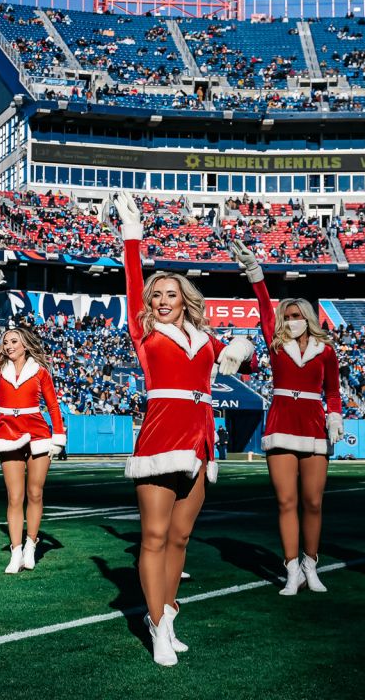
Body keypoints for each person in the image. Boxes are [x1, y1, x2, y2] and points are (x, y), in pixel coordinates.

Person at [117, 192, 256, 666]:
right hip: (160, 437)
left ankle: (169, 615)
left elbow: (252, 361)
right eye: (156, 296)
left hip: (201, 440)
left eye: (169, 295)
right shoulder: (145, 333)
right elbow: (134, 286)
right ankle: (155, 625)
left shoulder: (205, 338)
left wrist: (239, 348)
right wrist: (132, 237)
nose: (160, 301)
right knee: (153, 537)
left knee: (179, 539)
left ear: (186, 301)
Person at [231, 239, 342, 596]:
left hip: (313, 422)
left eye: (297, 316)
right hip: (280, 422)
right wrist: (255, 273)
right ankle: (291, 568)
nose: (292, 321)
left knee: (313, 501)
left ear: (309, 318)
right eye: (288, 317)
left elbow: (333, 391)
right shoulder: (274, 341)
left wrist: (335, 417)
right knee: (286, 502)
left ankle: (312, 565)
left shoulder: (326, 351)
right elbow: (264, 308)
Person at [0, 285, 67, 574]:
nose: (8, 345)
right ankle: (15, 552)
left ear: (25, 345)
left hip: (39, 433)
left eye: (13, 341)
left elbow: (53, 407)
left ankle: (30, 544)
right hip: (7, 432)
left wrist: (58, 438)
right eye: (6, 341)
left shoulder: (40, 371)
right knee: (15, 497)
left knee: (35, 493)